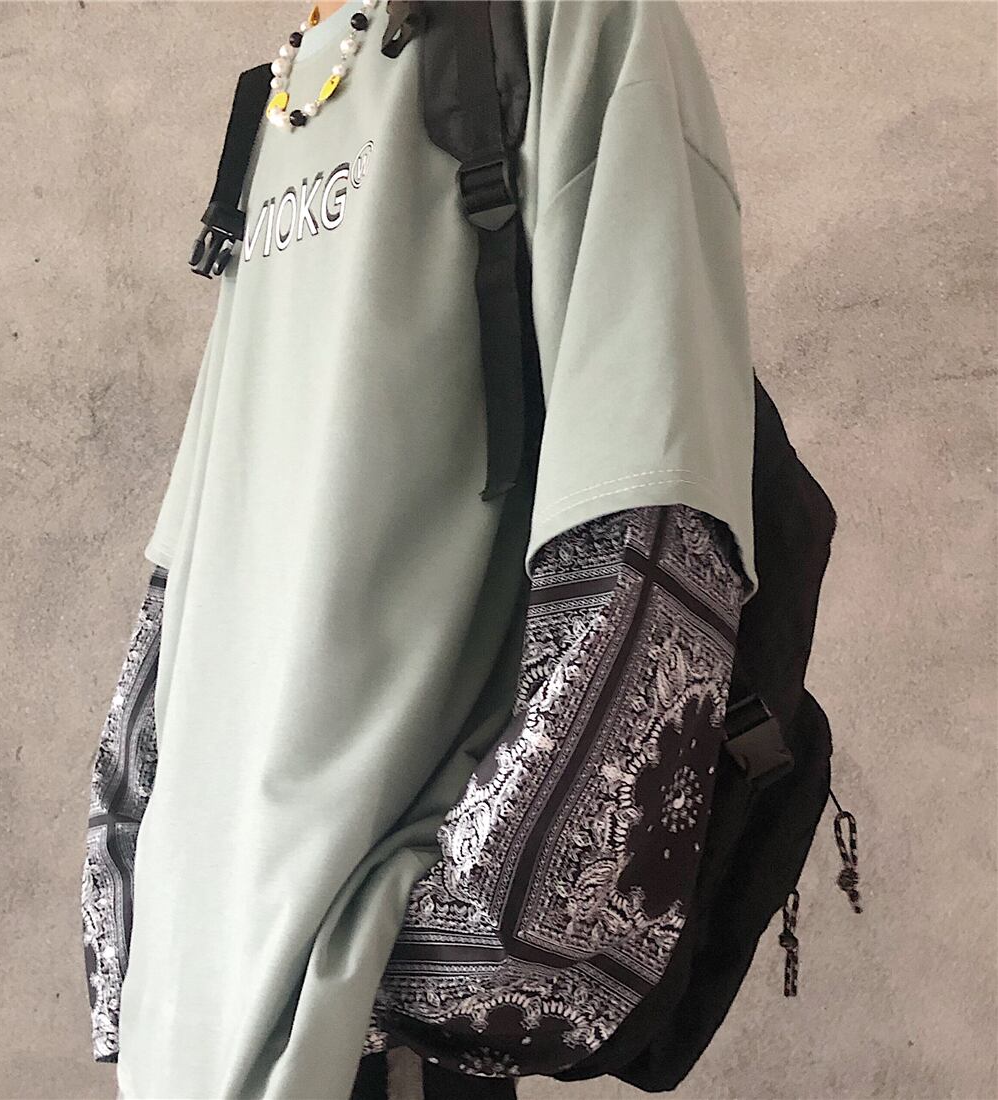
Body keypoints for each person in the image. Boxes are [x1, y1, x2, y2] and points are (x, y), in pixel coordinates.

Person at [81, 2, 759, 1098]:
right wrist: (134, 903)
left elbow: (646, 502)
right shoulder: (286, 89)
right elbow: (196, 550)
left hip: (358, 994)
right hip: (198, 973)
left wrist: (462, 932)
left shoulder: (562, 21)